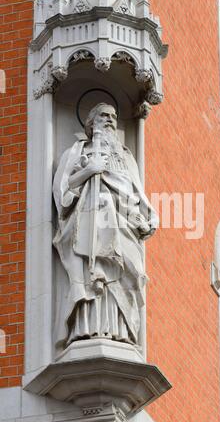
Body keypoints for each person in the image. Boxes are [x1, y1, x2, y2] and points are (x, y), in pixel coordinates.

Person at [53, 103, 158, 348]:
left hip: (123, 223)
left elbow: (138, 193)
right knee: (94, 273)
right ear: (91, 123)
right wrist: (89, 170)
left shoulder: (125, 155)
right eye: (103, 115)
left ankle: (121, 331)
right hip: (89, 222)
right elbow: (62, 190)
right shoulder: (77, 152)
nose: (109, 120)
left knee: (124, 270)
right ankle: (87, 329)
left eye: (113, 116)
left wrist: (149, 217)